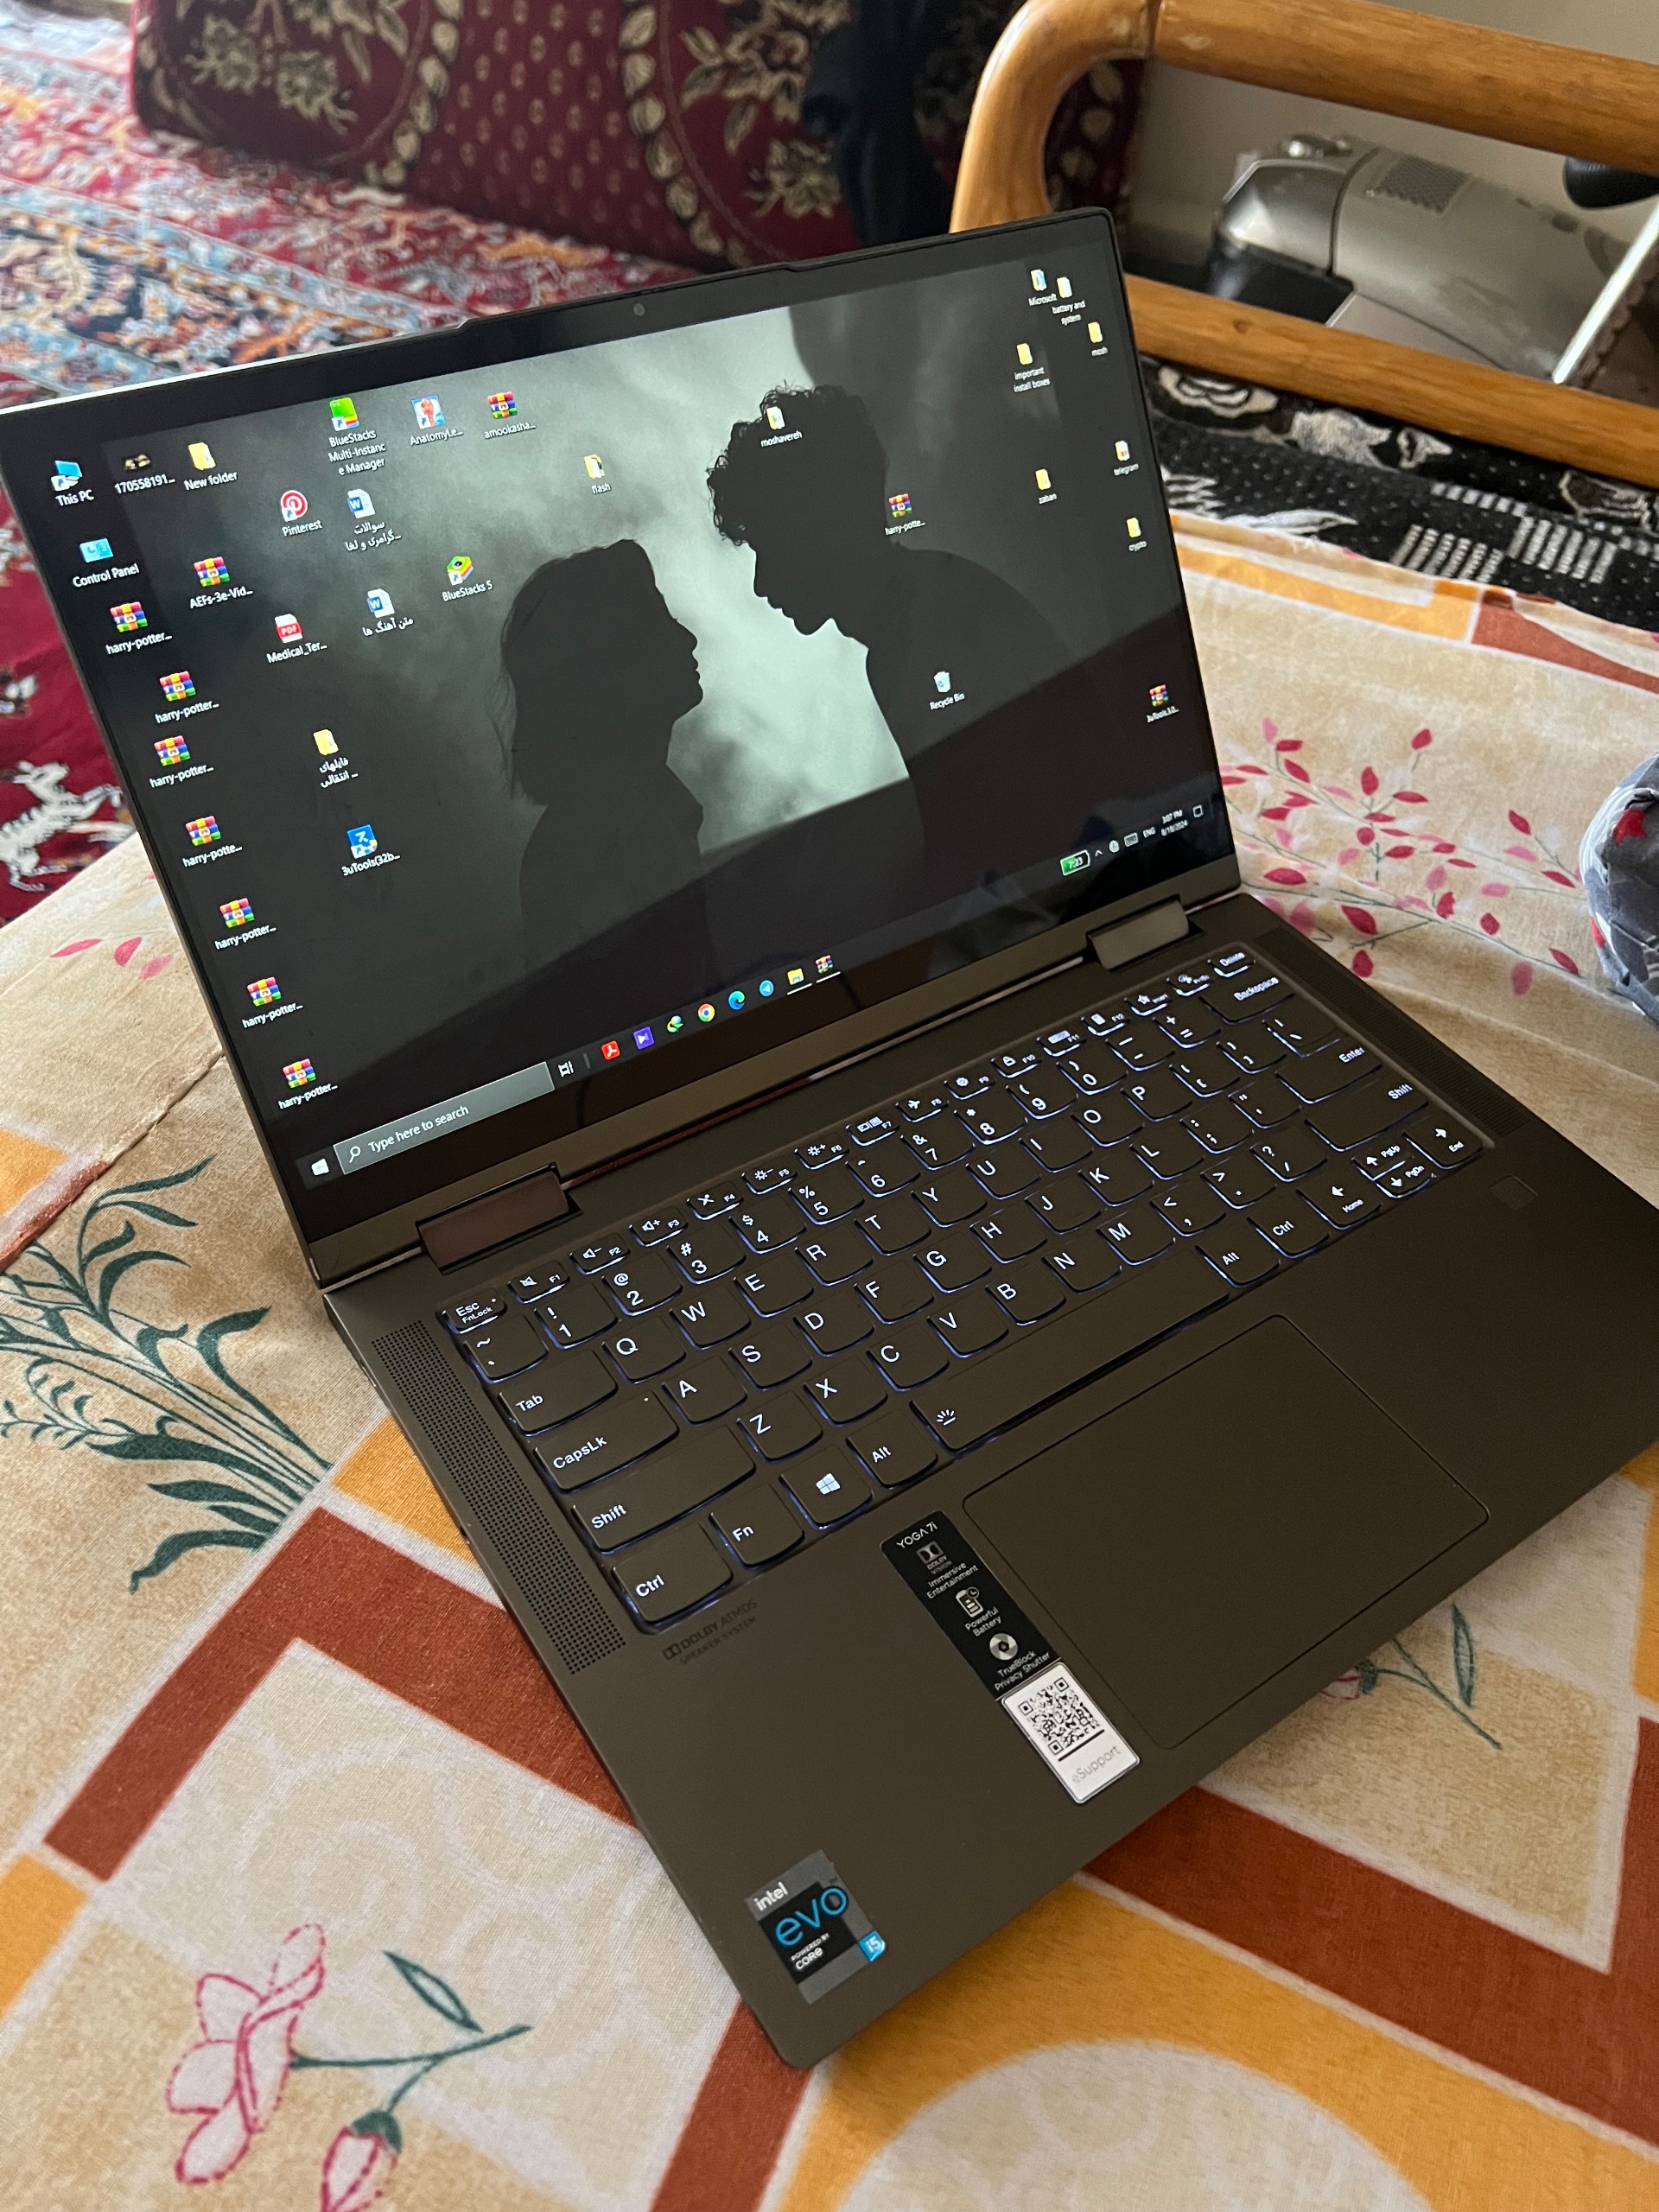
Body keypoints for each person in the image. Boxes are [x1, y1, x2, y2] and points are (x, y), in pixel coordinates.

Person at [707, 383, 1071, 768]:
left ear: (821, 528)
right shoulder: (913, 624)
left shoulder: (931, 627)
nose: (760, 585)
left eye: (769, 548)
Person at [500, 540, 707, 971]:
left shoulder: (654, 812)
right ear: (606, 664)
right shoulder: (581, 853)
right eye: (659, 621)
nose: (689, 638)